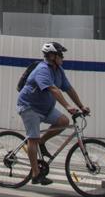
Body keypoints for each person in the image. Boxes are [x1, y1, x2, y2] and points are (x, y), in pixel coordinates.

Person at [16, 40, 88, 185]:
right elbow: (53, 89)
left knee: (63, 122)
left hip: (45, 109)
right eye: (60, 54)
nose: (63, 57)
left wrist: (81, 106)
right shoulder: (42, 70)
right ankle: (36, 174)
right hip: (29, 107)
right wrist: (68, 106)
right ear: (51, 56)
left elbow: (68, 88)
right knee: (33, 139)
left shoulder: (58, 70)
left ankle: (42, 141)